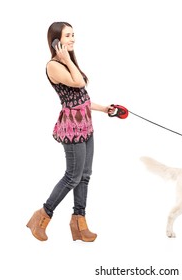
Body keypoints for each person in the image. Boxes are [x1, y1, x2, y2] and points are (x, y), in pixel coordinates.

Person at [26, 22, 114, 242]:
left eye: (73, 34)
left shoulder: (68, 63)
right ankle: (41, 217)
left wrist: (104, 109)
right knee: (72, 177)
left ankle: (79, 222)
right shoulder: (54, 65)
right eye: (68, 35)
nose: (72, 39)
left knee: (84, 176)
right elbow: (79, 81)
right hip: (72, 128)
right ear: (56, 41)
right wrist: (65, 59)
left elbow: (80, 97)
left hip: (85, 124)